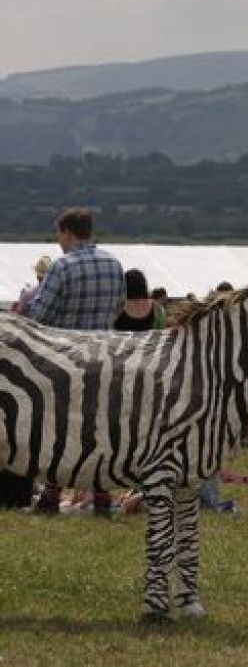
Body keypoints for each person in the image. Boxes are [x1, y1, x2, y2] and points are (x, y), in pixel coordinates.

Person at [26, 208, 125, 516]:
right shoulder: (114, 263)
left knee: (60, 430)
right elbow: (119, 308)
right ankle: (102, 496)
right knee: (100, 429)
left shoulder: (62, 266)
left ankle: (51, 494)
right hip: (105, 359)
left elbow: (38, 315)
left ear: (68, 233)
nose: (58, 240)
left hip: (66, 359)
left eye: (59, 234)